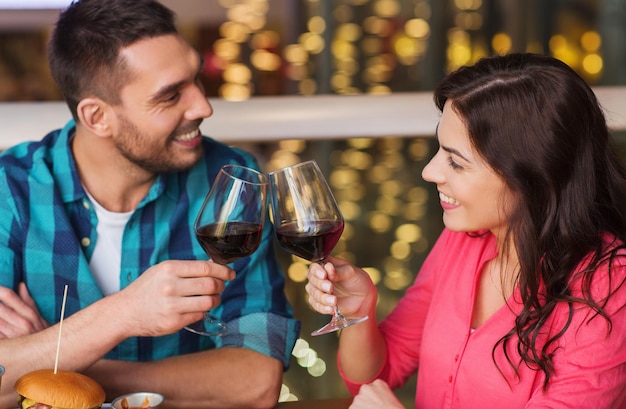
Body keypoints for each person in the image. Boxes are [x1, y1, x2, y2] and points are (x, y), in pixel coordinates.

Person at [0, 1, 300, 408]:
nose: (202, 107)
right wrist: (123, 314)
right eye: (170, 95)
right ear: (98, 117)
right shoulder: (10, 190)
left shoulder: (230, 180)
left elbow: (257, 382)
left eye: (194, 79)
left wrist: (58, 361)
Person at [305, 53, 626, 408]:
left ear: (531, 177)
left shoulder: (610, 287)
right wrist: (357, 312)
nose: (430, 172)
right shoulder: (463, 239)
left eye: (456, 161)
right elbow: (376, 378)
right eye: (440, 151)